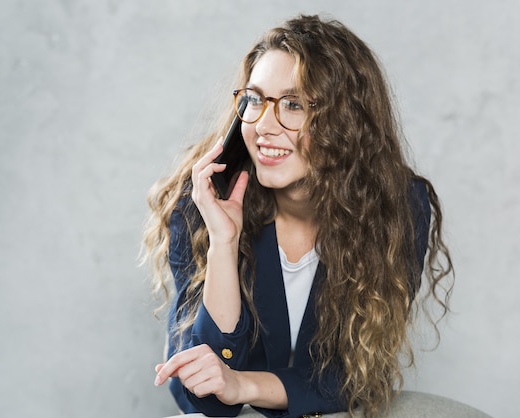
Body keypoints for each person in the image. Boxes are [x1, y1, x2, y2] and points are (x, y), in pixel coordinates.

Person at [142, 14, 454, 418]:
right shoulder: (202, 198)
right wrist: (223, 243)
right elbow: (201, 401)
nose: (263, 127)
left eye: (292, 105)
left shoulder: (398, 207)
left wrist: (244, 384)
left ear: (347, 123)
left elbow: (358, 375)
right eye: (254, 100)